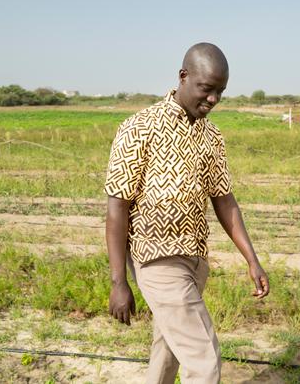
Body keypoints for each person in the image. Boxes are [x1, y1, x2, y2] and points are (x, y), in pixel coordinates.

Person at [104, 42, 269, 383]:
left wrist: (252, 260)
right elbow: (117, 206)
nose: (213, 100)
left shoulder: (212, 135)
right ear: (183, 76)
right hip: (157, 260)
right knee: (204, 360)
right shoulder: (139, 128)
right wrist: (119, 281)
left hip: (195, 260)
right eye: (207, 90)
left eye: (220, 93)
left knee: (168, 354)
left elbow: (224, 199)